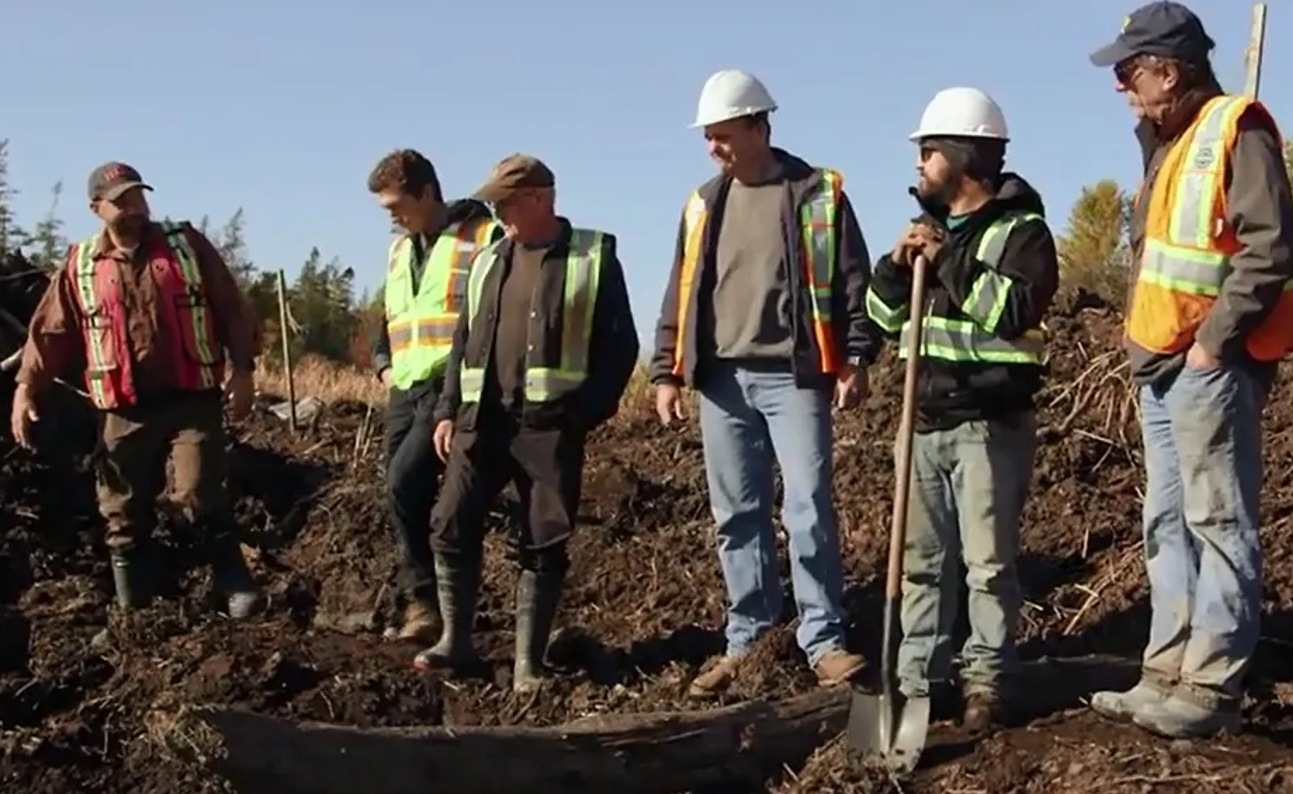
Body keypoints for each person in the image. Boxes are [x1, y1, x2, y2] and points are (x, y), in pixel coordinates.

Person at [1081, 1, 1293, 738]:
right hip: (1161, 362)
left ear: (1167, 70)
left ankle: (1210, 685)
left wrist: (1214, 341)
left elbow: (1270, 247)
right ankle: (1166, 670)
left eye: (1128, 72)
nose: (1120, 87)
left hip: (1207, 362)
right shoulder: (1170, 142)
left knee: (1217, 518)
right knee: (1167, 519)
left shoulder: (1233, 130)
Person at [649, 69, 877, 698]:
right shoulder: (702, 204)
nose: (713, 148)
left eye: (723, 135)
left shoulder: (816, 193)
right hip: (722, 379)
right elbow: (683, 286)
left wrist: (856, 357)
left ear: (759, 127)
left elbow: (852, 280)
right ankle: (747, 636)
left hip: (794, 375)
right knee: (737, 515)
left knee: (807, 507)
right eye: (709, 138)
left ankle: (824, 638)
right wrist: (668, 368)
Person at [865, 88, 1058, 735]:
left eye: (928, 152)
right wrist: (896, 269)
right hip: (922, 424)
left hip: (987, 425)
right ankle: (917, 680)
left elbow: (1008, 311)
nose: (919, 166)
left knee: (989, 567)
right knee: (920, 564)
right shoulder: (927, 237)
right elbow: (885, 319)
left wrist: (945, 261)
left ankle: (987, 680)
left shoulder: (1021, 234)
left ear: (961, 156)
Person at [414, 154, 637, 688]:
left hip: (548, 427)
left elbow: (620, 345)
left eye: (505, 203)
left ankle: (527, 664)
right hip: (481, 422)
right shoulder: (491, 260)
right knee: (449, 523)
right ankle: (455, 640)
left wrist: (586, 413)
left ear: (540, 198)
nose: (498, 214)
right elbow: (463, 342)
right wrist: (449, 411)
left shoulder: (593, 255)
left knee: (542, 539)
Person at [11, 162, 265, 618]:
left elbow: (230, 304)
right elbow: (50, 332)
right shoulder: (82, 264)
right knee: (121, 510)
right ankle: (136, 609)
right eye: (122, 201)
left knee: (199, 493)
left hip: (192, 396)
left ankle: (232, 580)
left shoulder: (184, 245)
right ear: (96, 208)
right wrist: (27, 387)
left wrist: (243, 370)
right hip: (123, 408)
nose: (135, 209)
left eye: (138, 198)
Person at [367, 148, 501, 644]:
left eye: (396, 205)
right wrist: (383, 364)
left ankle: (429, 602)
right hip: (403, 388)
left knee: (406, 482)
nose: (392, 216)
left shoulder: (484, 238)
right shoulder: (400, 249)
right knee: (400, 491)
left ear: (426, 192)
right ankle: (424, 604)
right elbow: (392, 313)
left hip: (450, 385)